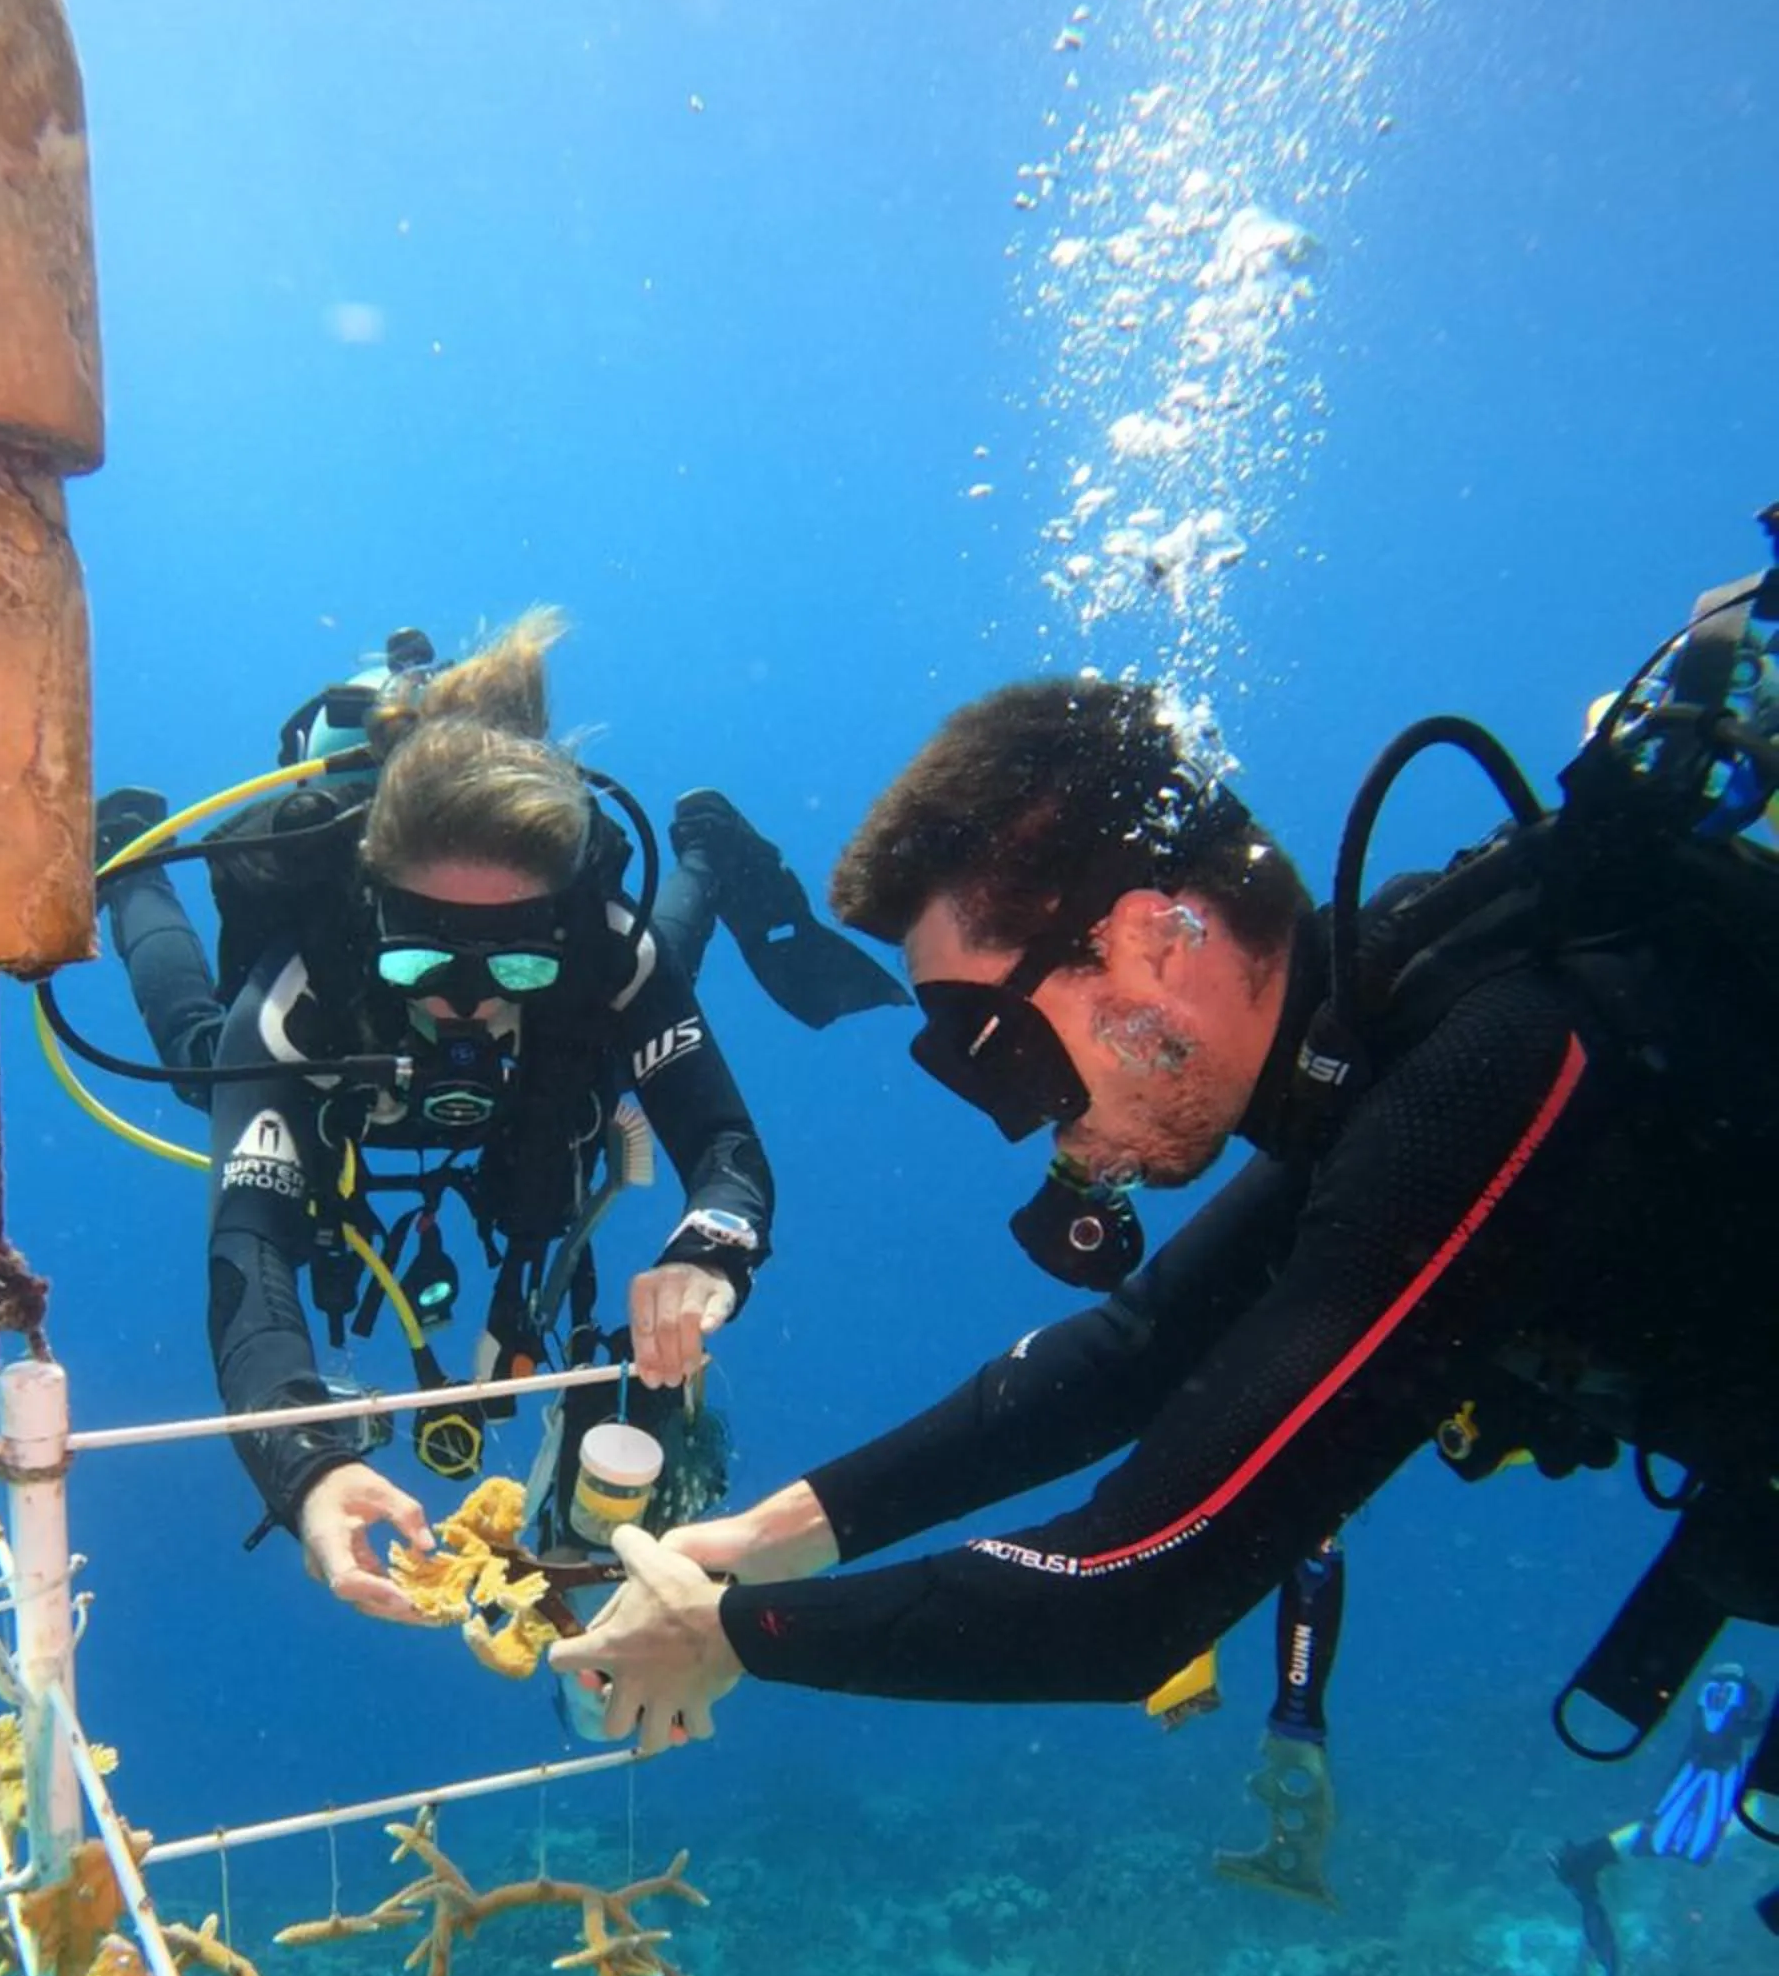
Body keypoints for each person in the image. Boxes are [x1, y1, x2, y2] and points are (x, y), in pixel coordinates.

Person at [548, 652, 1779, 1832]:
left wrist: (732, 1636)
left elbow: (1137, 1592)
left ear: (1147, 941)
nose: (1026, 1122)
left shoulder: (1497, 1062)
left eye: (996, 1053)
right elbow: (1128, 1357)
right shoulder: (1375, 1041)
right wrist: (745, 1547)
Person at [93, 609, 902, 1619]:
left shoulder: (601, 953)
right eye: (422, 961)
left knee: (652, 983)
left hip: (555, 1069)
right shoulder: (308, 993)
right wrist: (305, 1467)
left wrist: (709, 1251)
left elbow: (723, 1146)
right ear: (373, 914)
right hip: (357, 1068)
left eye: (515, 962)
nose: (466, 1002)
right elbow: (247, 1251)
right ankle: (125, 855)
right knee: (202, 1062)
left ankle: (704, 849)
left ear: (559, 925)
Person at [1552, 1662, 1767, 1976]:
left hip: (1707, 1800)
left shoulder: (1714, 1727)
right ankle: (1586, 1867)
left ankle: (1585, 1866)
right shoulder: (1738, 1729)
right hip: (1721, 1806)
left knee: (1684, 1836)